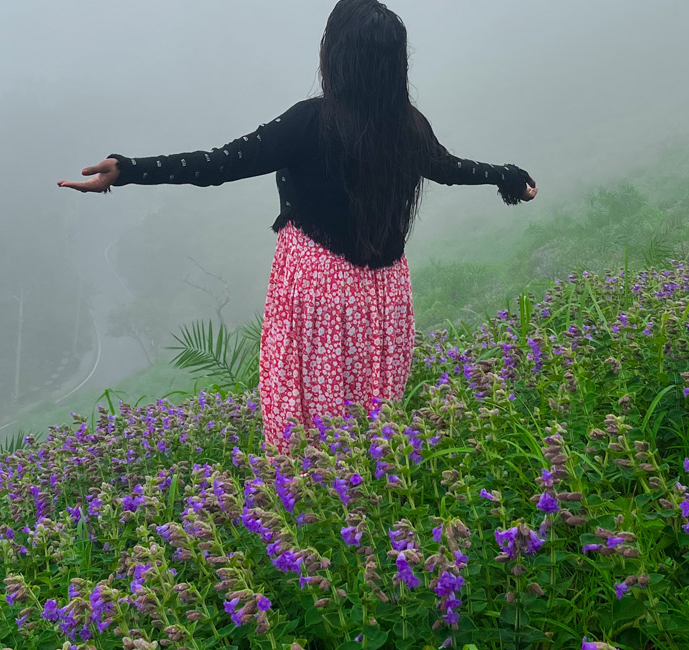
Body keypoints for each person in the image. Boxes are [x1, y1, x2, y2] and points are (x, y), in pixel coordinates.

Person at [58, 0, 536, 455]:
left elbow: (221, 163)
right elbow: (450, 167)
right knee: (372, 418)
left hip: (317, 286)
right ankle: (370, 505)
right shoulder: (409, 126)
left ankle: (313, 512)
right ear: (395, 63)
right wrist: (507, 176)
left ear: (336, 55)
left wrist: (129, 168)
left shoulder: (311, 122)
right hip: (386, 294)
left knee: (309, 425)